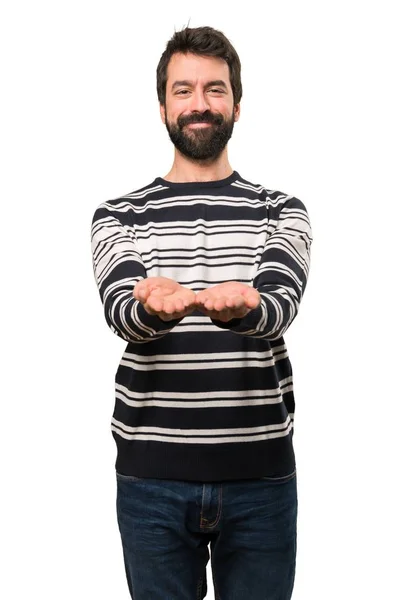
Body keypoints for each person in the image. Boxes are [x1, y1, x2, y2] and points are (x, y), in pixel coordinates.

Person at [91, 25, 312, 600]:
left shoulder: (281, 210)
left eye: (215, 90)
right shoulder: (118, 215)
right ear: (162, 105)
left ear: (237, 104)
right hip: (151, 482)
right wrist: (156, 311)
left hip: (260, 480)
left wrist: (246, 307)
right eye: (183, 90)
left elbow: (279, 303)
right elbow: (121, 310)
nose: (199, 104)